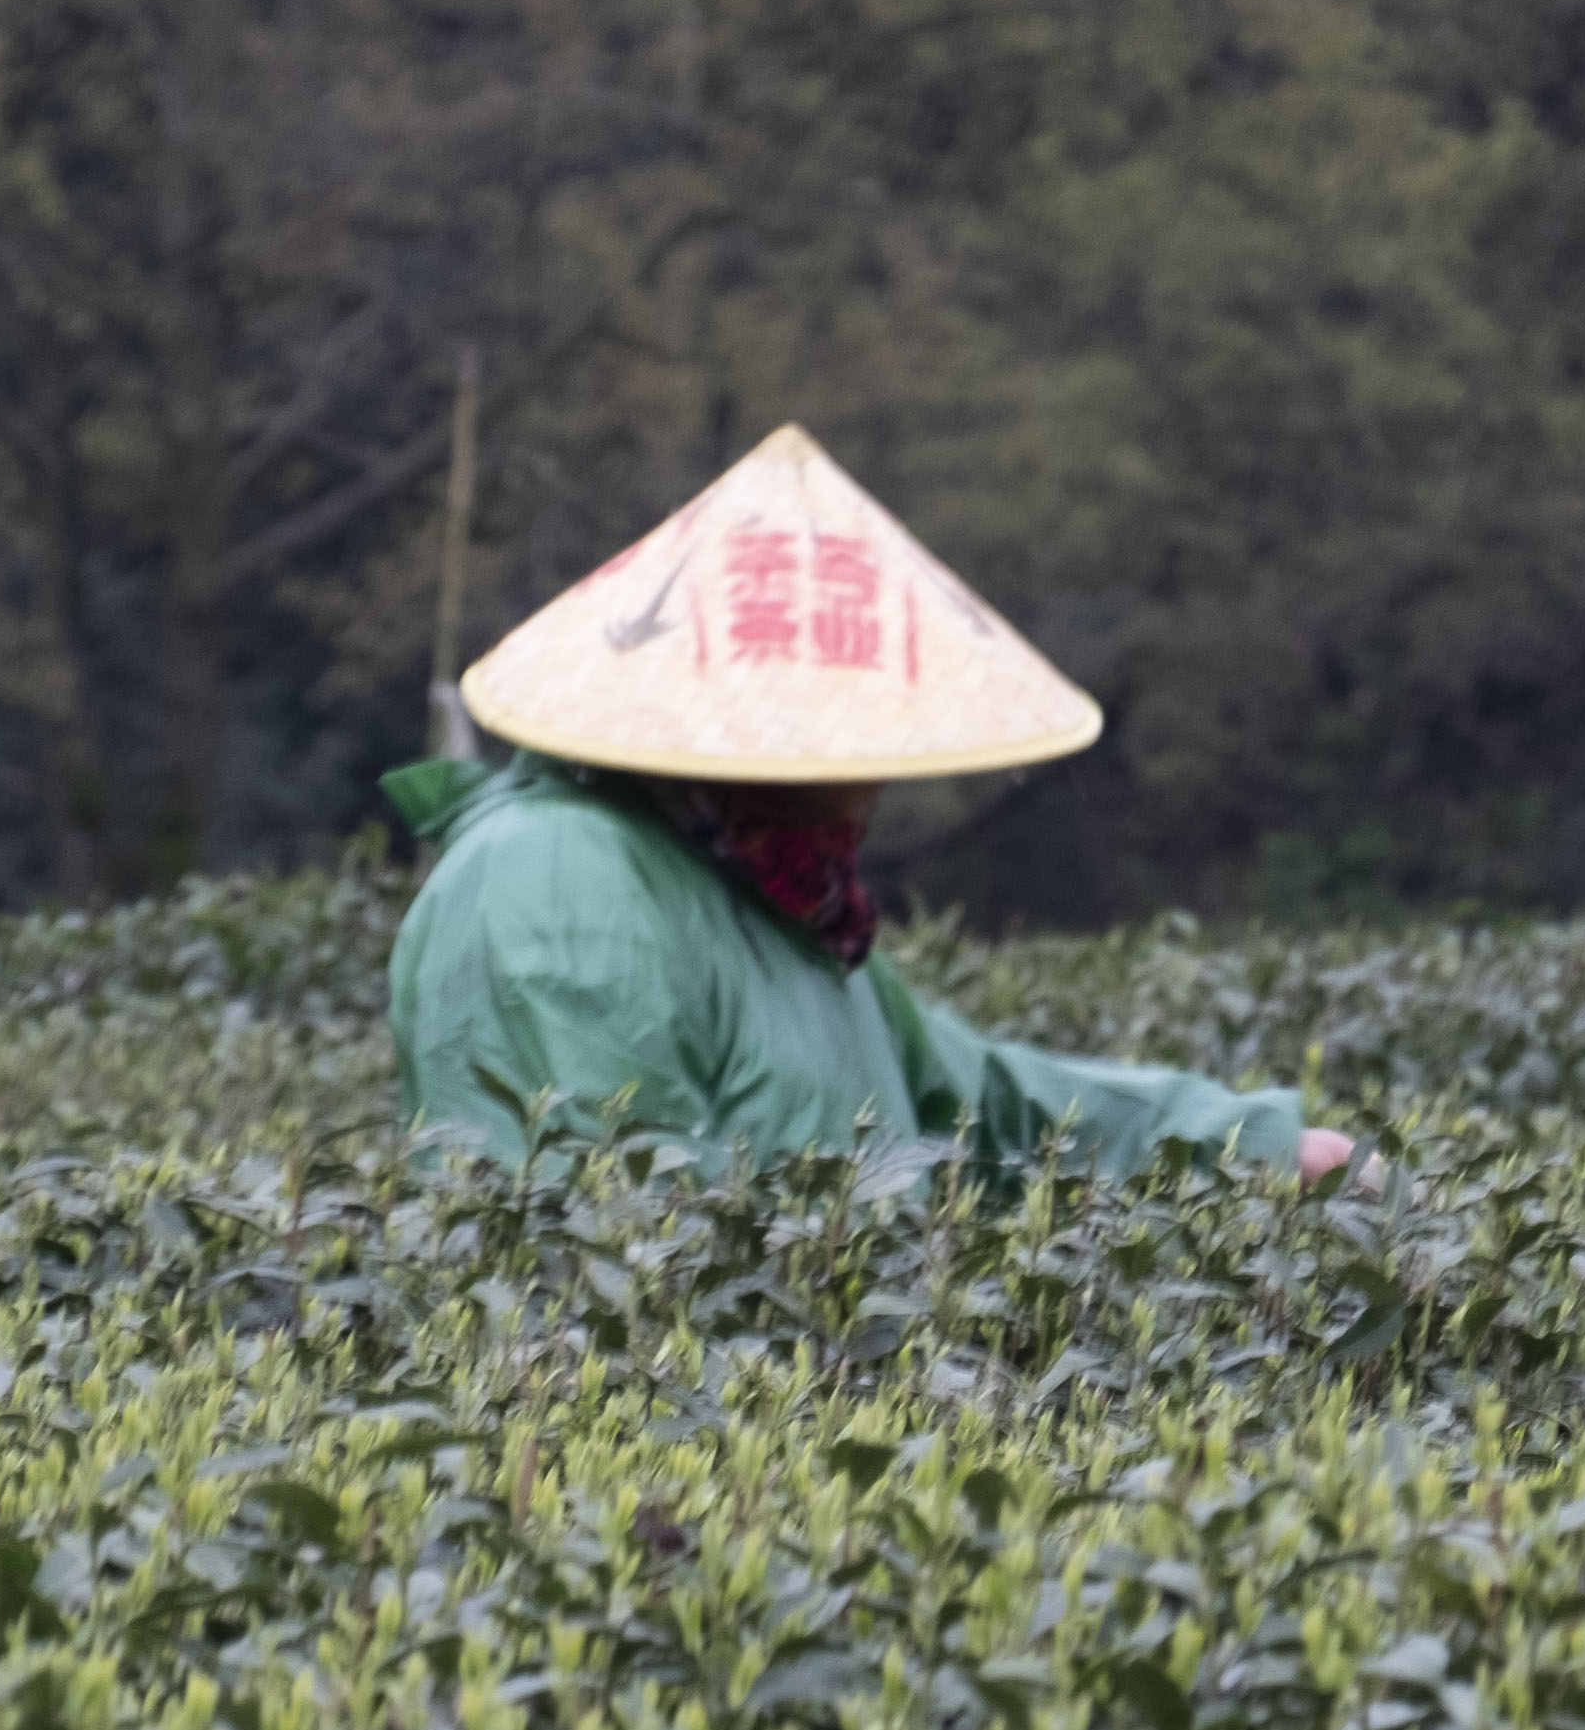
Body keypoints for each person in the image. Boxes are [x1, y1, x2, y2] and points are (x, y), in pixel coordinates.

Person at [387, 426, 1356, 1182]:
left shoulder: (789, 915)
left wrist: (1254, 1146)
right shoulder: (558, 881)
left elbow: (985, 1112)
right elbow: (606, 1241)